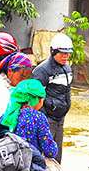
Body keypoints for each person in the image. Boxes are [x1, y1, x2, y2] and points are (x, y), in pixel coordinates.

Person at [32, 33, 74, 162]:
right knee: (45, 154)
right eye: (62, 53)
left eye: (68, 53)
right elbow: (35, 97)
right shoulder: (42, 70)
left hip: (60, 117)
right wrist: (45, 114)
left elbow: (66, 91)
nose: (65, 56)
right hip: (47, 118)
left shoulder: (67, 68)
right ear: (53, 51)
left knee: (56, 154)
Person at [1, 78, 58, 158]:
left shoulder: (7, 115)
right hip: (30, 166)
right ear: (36, 100)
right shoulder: (39, 117)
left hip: (8, 162)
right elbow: (50, 151)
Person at [0, 52, 33, 119]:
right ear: (10, 71)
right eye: (22, 75)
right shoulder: (1, 91)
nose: (24, 81)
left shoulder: (14, 86)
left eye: (28, 77)